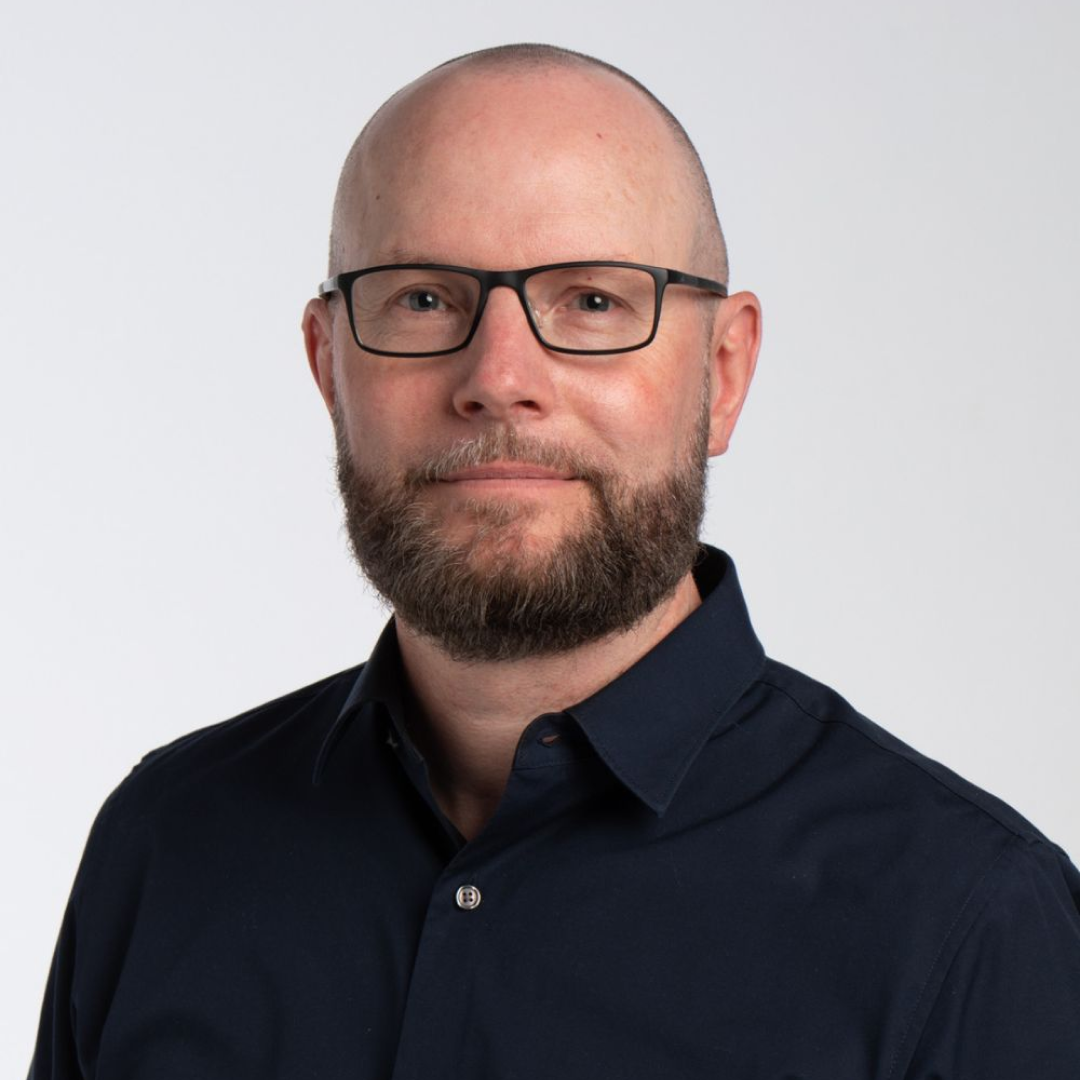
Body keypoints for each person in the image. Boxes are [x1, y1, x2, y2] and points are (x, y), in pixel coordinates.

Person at [28, 43, 1080, 1080]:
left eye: (591, 301)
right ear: (327, 365)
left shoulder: (972, 926)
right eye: (425, 298)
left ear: (725, 369)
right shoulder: (166, 846)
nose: (498, 378)